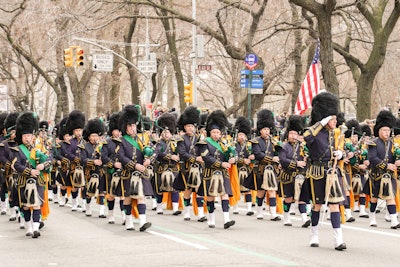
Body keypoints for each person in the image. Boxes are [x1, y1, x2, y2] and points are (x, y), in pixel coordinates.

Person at [303, 91, 347, 251]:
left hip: (332, 172)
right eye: (332, 119)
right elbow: (306, 136)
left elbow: (345, 150)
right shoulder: (314, 131)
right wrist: (321, 122)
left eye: (335, 118)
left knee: (335, 205)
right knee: (317, 205)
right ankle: (314, 235)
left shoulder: (336, 134)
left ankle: (338, 239)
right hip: (317, 171)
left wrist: (341, 154)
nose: (335, 121)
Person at [11, 112, 52, 238]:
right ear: (21, 137)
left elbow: (49, 162)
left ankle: (35, 228)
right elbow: (16, 165)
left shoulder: (38, 150)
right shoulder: (17, 150)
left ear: (33, 137)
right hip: (24, 180)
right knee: (26, 206)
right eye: (25, 136)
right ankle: (28, 226)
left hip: (37, 181)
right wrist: (30, 171)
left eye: (29, 135)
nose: (27, 138)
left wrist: (43, 166)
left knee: (36, 204)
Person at [196, 110, 235, 229]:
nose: (216, 134)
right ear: (210, 132)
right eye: (213, 132)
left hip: (223, 173)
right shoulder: (204, 143)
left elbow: (229, 156)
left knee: (224, 195)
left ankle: (226, 219)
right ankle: (211, 219)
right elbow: (206, 158)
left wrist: (232, 158)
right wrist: (221, 163)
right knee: (211, 197)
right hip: (210, 173)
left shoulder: (224, 144)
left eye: (218, 132)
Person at [117, 104, 152, 231]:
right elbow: (121, 157)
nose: (132, 128)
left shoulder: (141, 140)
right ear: (125, 128)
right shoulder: (121, 141)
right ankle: (128, 220)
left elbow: (148, 153)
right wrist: (135, 165)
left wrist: (148, 160)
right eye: (130, 126)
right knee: (128, 198)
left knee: (140, 196)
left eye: (134, 125)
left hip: (140, 174)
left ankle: (143, 222)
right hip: (128, 173)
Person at [364, 110, 400, 229]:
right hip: (376, 175)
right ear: (379, 130)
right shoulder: (373, 143)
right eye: (384, 130)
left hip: (389, 176)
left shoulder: (393, 143)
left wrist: (397, 161)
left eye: (388, 130)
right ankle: (372, 216)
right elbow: (373, 158)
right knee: (374, 198)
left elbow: (395, 156)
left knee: (390, 197)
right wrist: (386, 165)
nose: (387, 132)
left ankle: (394, 221)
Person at [244, 109, 281, 221]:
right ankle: (259, 212)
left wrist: (278, 159)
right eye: (264, 129)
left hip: (272, 170)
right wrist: (272, 158)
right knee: (260, 191)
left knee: (272, 190)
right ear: (260, 130)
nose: (267, 131)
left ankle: (273, 213)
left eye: (268, 129)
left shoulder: (274, 141)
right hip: (260, 169)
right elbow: (258, 154)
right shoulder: (255, 141)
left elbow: (278, 153)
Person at [175, 106, 207, 222]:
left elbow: (203, 151)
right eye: (188, 126)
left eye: (192, 126)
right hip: (186, 168)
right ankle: (187, 212)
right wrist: (195, 158)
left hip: (198, 168)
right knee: (188, 190)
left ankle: (200, 214)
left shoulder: (199, 139)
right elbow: (182, 153)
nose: (190, 128)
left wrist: (203, 157)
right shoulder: (181, 139)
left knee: (199, 189)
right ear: (184, 127)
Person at [278, 115, 310, 227]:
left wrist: (307, 158)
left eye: (295, 134)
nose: (293, 136)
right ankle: (286, 217)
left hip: (301, 176)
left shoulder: (302, 146)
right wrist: (297, 163)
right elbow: (282, 160)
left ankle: (304, 219)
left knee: (302, 198)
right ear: (287, 135)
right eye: (291, 134)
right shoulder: (283, 146)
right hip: (288, 176)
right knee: (288, 198)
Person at [153, 112, 182, 215]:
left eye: (168, 132)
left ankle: (175, 208)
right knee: (160, 189)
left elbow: (180, 152)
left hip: (173, 168)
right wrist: (170, 156)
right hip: (161, 167)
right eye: (164, 132)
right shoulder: (158, 143)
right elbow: (157, 153)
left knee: (175, 189)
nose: (166, 134)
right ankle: (159, 207)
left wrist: (179, 156)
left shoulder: (175, 142)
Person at [101, 112, 125, 224]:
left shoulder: (125, 141)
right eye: (116, 130)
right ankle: (110, 214)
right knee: (111, 195)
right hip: (111, 171)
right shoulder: (107, 142)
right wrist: (113, 164)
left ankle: (125, 215)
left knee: (123, 195)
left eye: (120, 130)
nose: (118, 132)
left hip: (124, 171)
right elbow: (104, 157)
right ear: (112, 130)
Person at [80, 118, 106, 217]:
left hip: (101, 171)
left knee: (102, 191)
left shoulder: (103, 146)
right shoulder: (84, 147)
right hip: (89, 172)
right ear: (89, 136)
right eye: (92, 136)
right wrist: (93, 161)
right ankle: (88, 207)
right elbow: (82, 159)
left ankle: (102, 211)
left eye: (96, 136)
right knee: (89, 191)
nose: (94, 138)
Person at [232, 116, 255, 216]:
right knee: (236, 188)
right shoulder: (233, 145)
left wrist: (252, 157)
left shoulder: (250, 145)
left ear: (246, 136)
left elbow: (254, 156)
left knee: (247, 190)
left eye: (243, 135)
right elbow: (233, 156)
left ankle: (249, 208)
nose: (241, 137)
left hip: (247, 169)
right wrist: (242, 160)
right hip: (236, 169)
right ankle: (235, 207)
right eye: (239, 135)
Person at [64, 110, 86, 211]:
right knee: (75, 185)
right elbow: (67, 153)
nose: (78, 132)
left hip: (85, 166)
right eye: (76, 131)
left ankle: (84, 203)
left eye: (80, 130)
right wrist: (74, 158)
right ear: (73, 131)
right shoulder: (70, 142)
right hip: (74, 166)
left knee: (84, 186)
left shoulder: (85, 141)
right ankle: (74, 202)